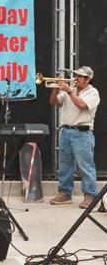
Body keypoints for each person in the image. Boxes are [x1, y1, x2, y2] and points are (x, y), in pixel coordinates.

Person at [49, 66, 100, 209]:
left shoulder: (92, 92)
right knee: (65, 164)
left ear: (88, 79)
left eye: (80, 76)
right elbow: (53, 102)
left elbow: (82, 105)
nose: (76, 78)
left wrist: (69, 91)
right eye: (76, 75)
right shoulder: (69, 90)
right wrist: (56, 88)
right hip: (66, 131)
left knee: (85, 165)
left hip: (82, 133)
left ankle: (91, 195)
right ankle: (65, 193)